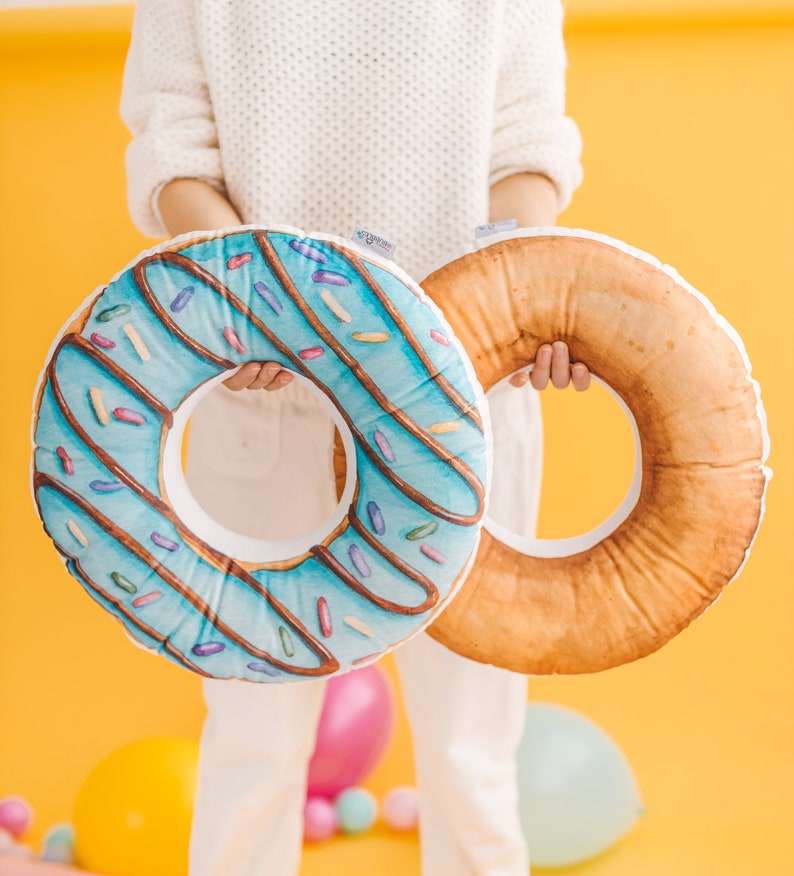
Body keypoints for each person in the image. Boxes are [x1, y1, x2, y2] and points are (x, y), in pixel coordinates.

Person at [120, 2, 588, 874]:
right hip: (269, 400)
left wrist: (526, 277)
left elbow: (528, 151)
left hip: (464, 393)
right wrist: (262, 300)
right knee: (252, 744)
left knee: (470, 752)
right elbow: (175, 156)